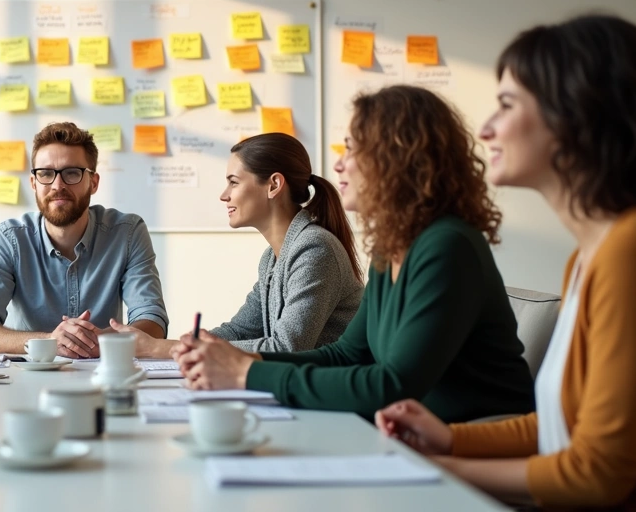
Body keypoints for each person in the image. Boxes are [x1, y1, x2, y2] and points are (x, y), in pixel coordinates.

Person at [376, 15, 636, 509]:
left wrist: (438, 470)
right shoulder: (588, 257)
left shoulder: (632, 249)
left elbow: (598, 474)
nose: (485, 129)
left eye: (506, 105)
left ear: (574, 114)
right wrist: (451, 439)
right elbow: (564, 420)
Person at [176, 85, 535, 423]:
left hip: (475, 442)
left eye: (351, 149)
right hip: (412, 435)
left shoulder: (447, 246)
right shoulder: (392, 246)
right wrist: (245, 360)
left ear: (397, 157)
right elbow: (347, 355)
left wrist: (246, 372)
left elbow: (392, 385)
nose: (337, 165)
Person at [111, 133, 363, 358]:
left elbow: (287, 348)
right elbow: (239, 330)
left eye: (234, 182)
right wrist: (180, 344)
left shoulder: (314, 249)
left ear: (274, 185)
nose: (224, 195)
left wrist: (159, 348)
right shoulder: (272, 258)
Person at [0, 122, 169, 358]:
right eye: (46, 174)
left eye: (72, 173)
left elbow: (152, 320)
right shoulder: (9, 238)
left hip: (104, 372)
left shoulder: (127, 233)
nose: (57, 185)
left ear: (93, 182)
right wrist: (50, 341)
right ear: (34, 183)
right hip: (29, 374)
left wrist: (99, 341)